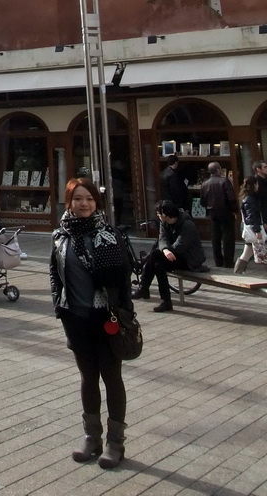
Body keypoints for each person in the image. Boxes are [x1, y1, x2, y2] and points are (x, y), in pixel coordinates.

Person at [50, 177, 133, 469]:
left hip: (105, 318)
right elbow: (54, 273)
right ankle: (92, 437)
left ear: (96, 203)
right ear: (69, 202)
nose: (83, 204)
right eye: (77, 199)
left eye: (89, 199)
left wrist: (125, 316)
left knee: (111, 377)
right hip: (75, 318)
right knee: (88, 378)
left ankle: (115, 442)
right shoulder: (60, 236)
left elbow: (123, 282)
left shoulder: (111, 235)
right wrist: (59, 308)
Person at [132, 199, 207, 311]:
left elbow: (180, 246)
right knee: (158, 266)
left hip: (189, 259)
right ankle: (166, 302)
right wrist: (166, 250)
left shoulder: (187, 225)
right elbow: (162, 239)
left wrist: (165, 250)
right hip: (171, 255)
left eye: (158, 213)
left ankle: (144, 288)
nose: (157, 216)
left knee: (155, 254)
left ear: (165, 214)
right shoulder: (164, 223)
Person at [200, 161, 238, 268]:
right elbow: (231, 198)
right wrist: (235, 210)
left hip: (212, 212)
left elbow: (202, 201)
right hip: (225, 211)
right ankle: (228, 261)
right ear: (218, 170)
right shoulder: (225, 181)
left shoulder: (205, 184)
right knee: (228, 237)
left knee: (215, 237)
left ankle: (218, 261)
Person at [234, 177, 263, 274]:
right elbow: (252, 215)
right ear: (254, 185)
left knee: (247, 252)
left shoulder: (247, 197)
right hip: (253, 229)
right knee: (247, 252)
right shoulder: (249, 198)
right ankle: (238, 272)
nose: (258, 186)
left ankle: (238, 272)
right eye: (257, 184)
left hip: (250, 229)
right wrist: (257, 230)